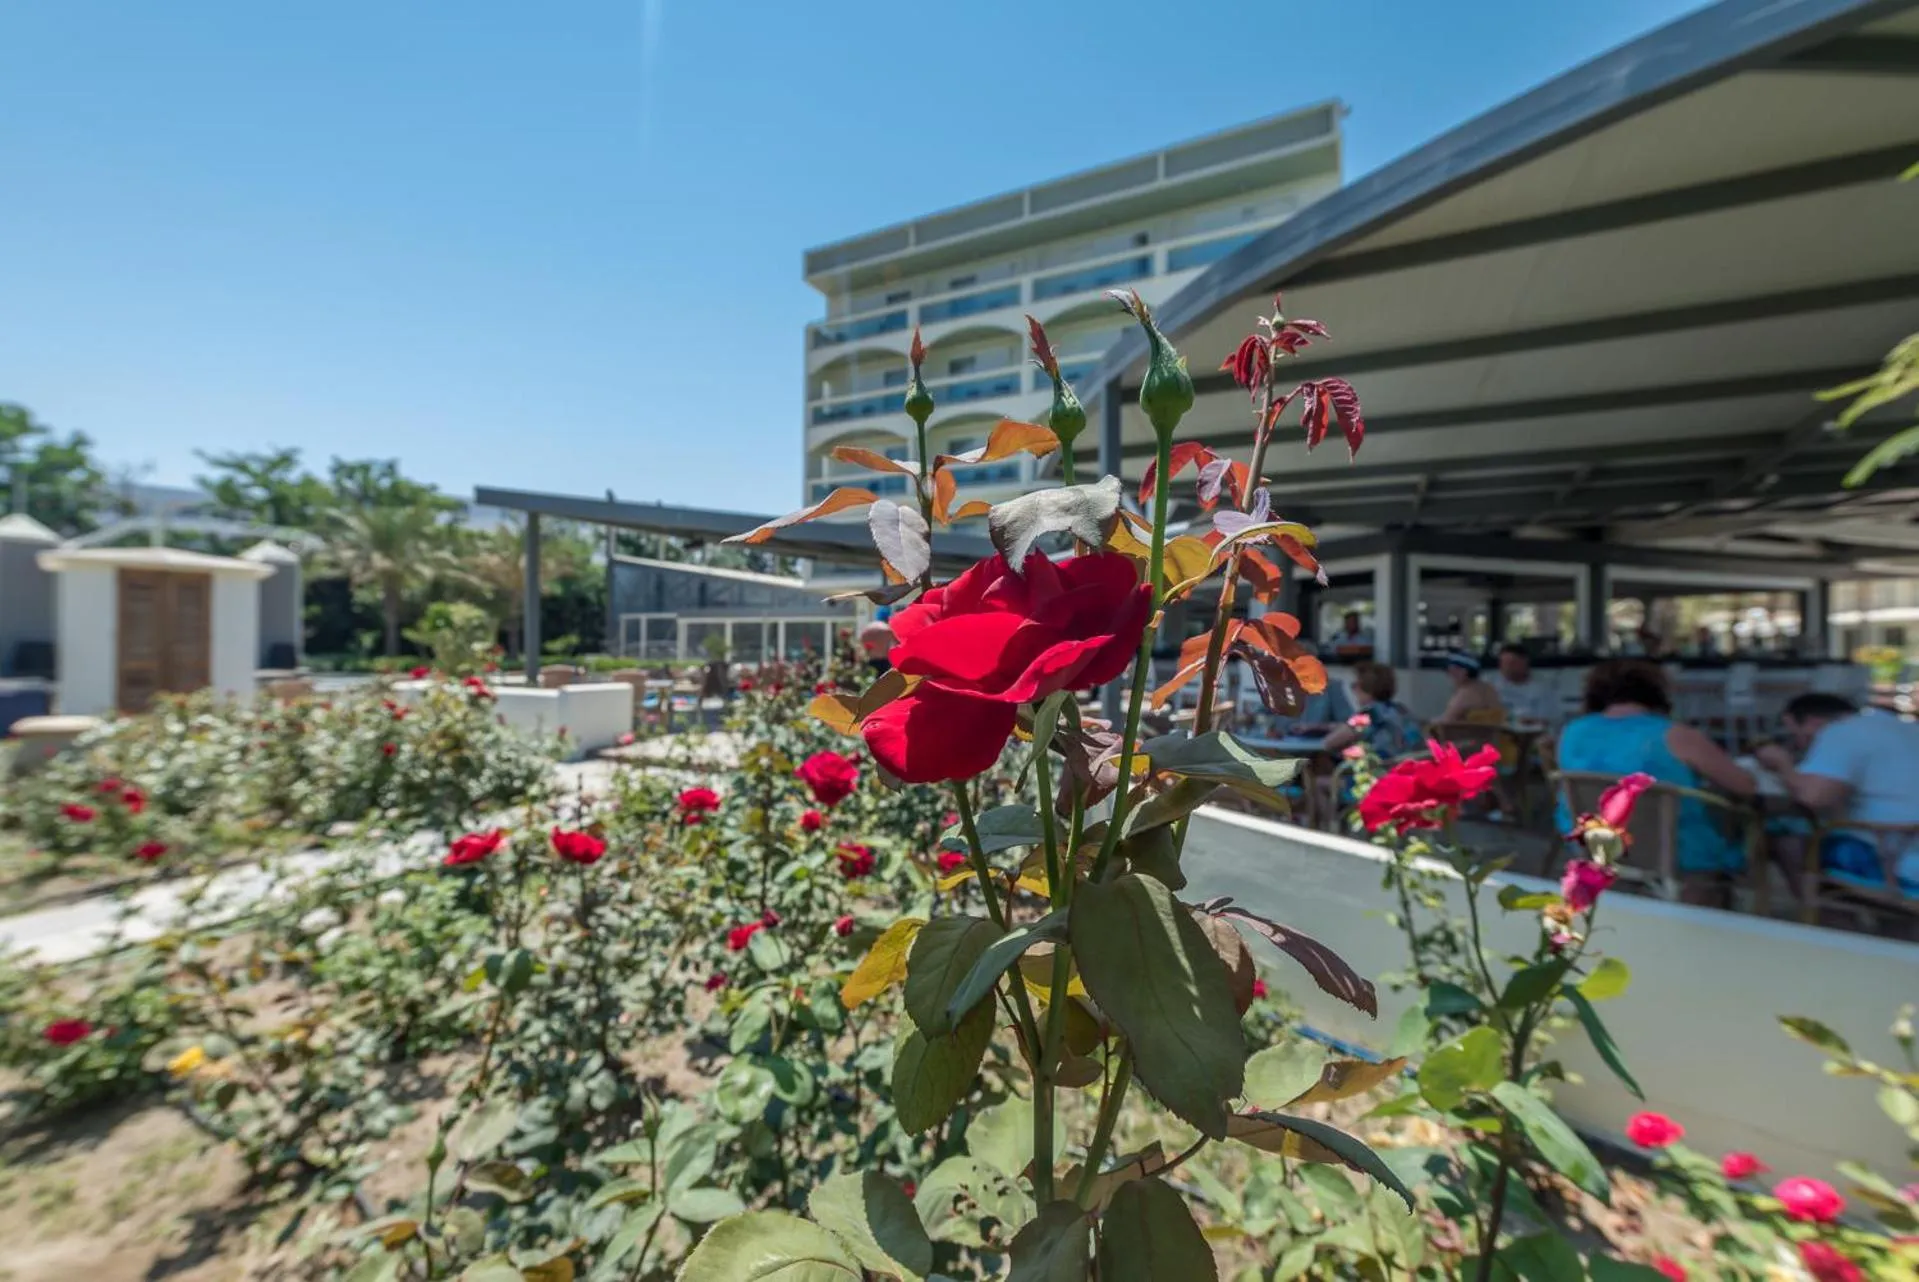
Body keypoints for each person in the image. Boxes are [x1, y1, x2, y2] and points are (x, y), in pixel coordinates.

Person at [1556, 660, 1757, 899]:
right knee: (1748, 823)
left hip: (1596, 847)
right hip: (1677, 853)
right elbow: (1745, 786)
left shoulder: (1572, 732)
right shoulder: (1677, 735)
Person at [1753, 692, 1919, 897]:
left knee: (1788, 837)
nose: (1800, 744)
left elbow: (1813, 797)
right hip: (1906, 846)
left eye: (1797, 735)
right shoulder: (1905, 727)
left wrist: (1782, 764)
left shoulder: (1841, 732)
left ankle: (1826, 920)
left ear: (1813, 723)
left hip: (1893, 861)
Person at [1322, 662, 1419, 760]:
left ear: (1367, 688)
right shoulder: (1401, 710)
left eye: (1355, 685)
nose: (1353, 689)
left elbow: (1329, 743)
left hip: (1380, 771)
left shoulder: (1368, 715)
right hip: (1409, 769)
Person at [1283, 639, 1353, 733]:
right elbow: (1264, 719)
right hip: (1281, 746)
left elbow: (1349, 724)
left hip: (1318, 746)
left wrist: (1319, 727)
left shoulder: (1331, 688)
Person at [1486, 644, 1560, 726]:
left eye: (1511, 663)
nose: (1506, 668)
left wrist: (1523, 721)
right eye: (1503, 663)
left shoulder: (1543, 687)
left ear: (1525, 662)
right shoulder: (1490, 683)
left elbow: (1549, 720)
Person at [1436, 651, 1503, 724]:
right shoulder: (1488, 688)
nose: (1449, 675)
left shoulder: (1466, 693)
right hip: (1490, 733)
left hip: (1469, 734)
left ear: (1464, 672)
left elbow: (1447, 721)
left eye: (1451, 670)